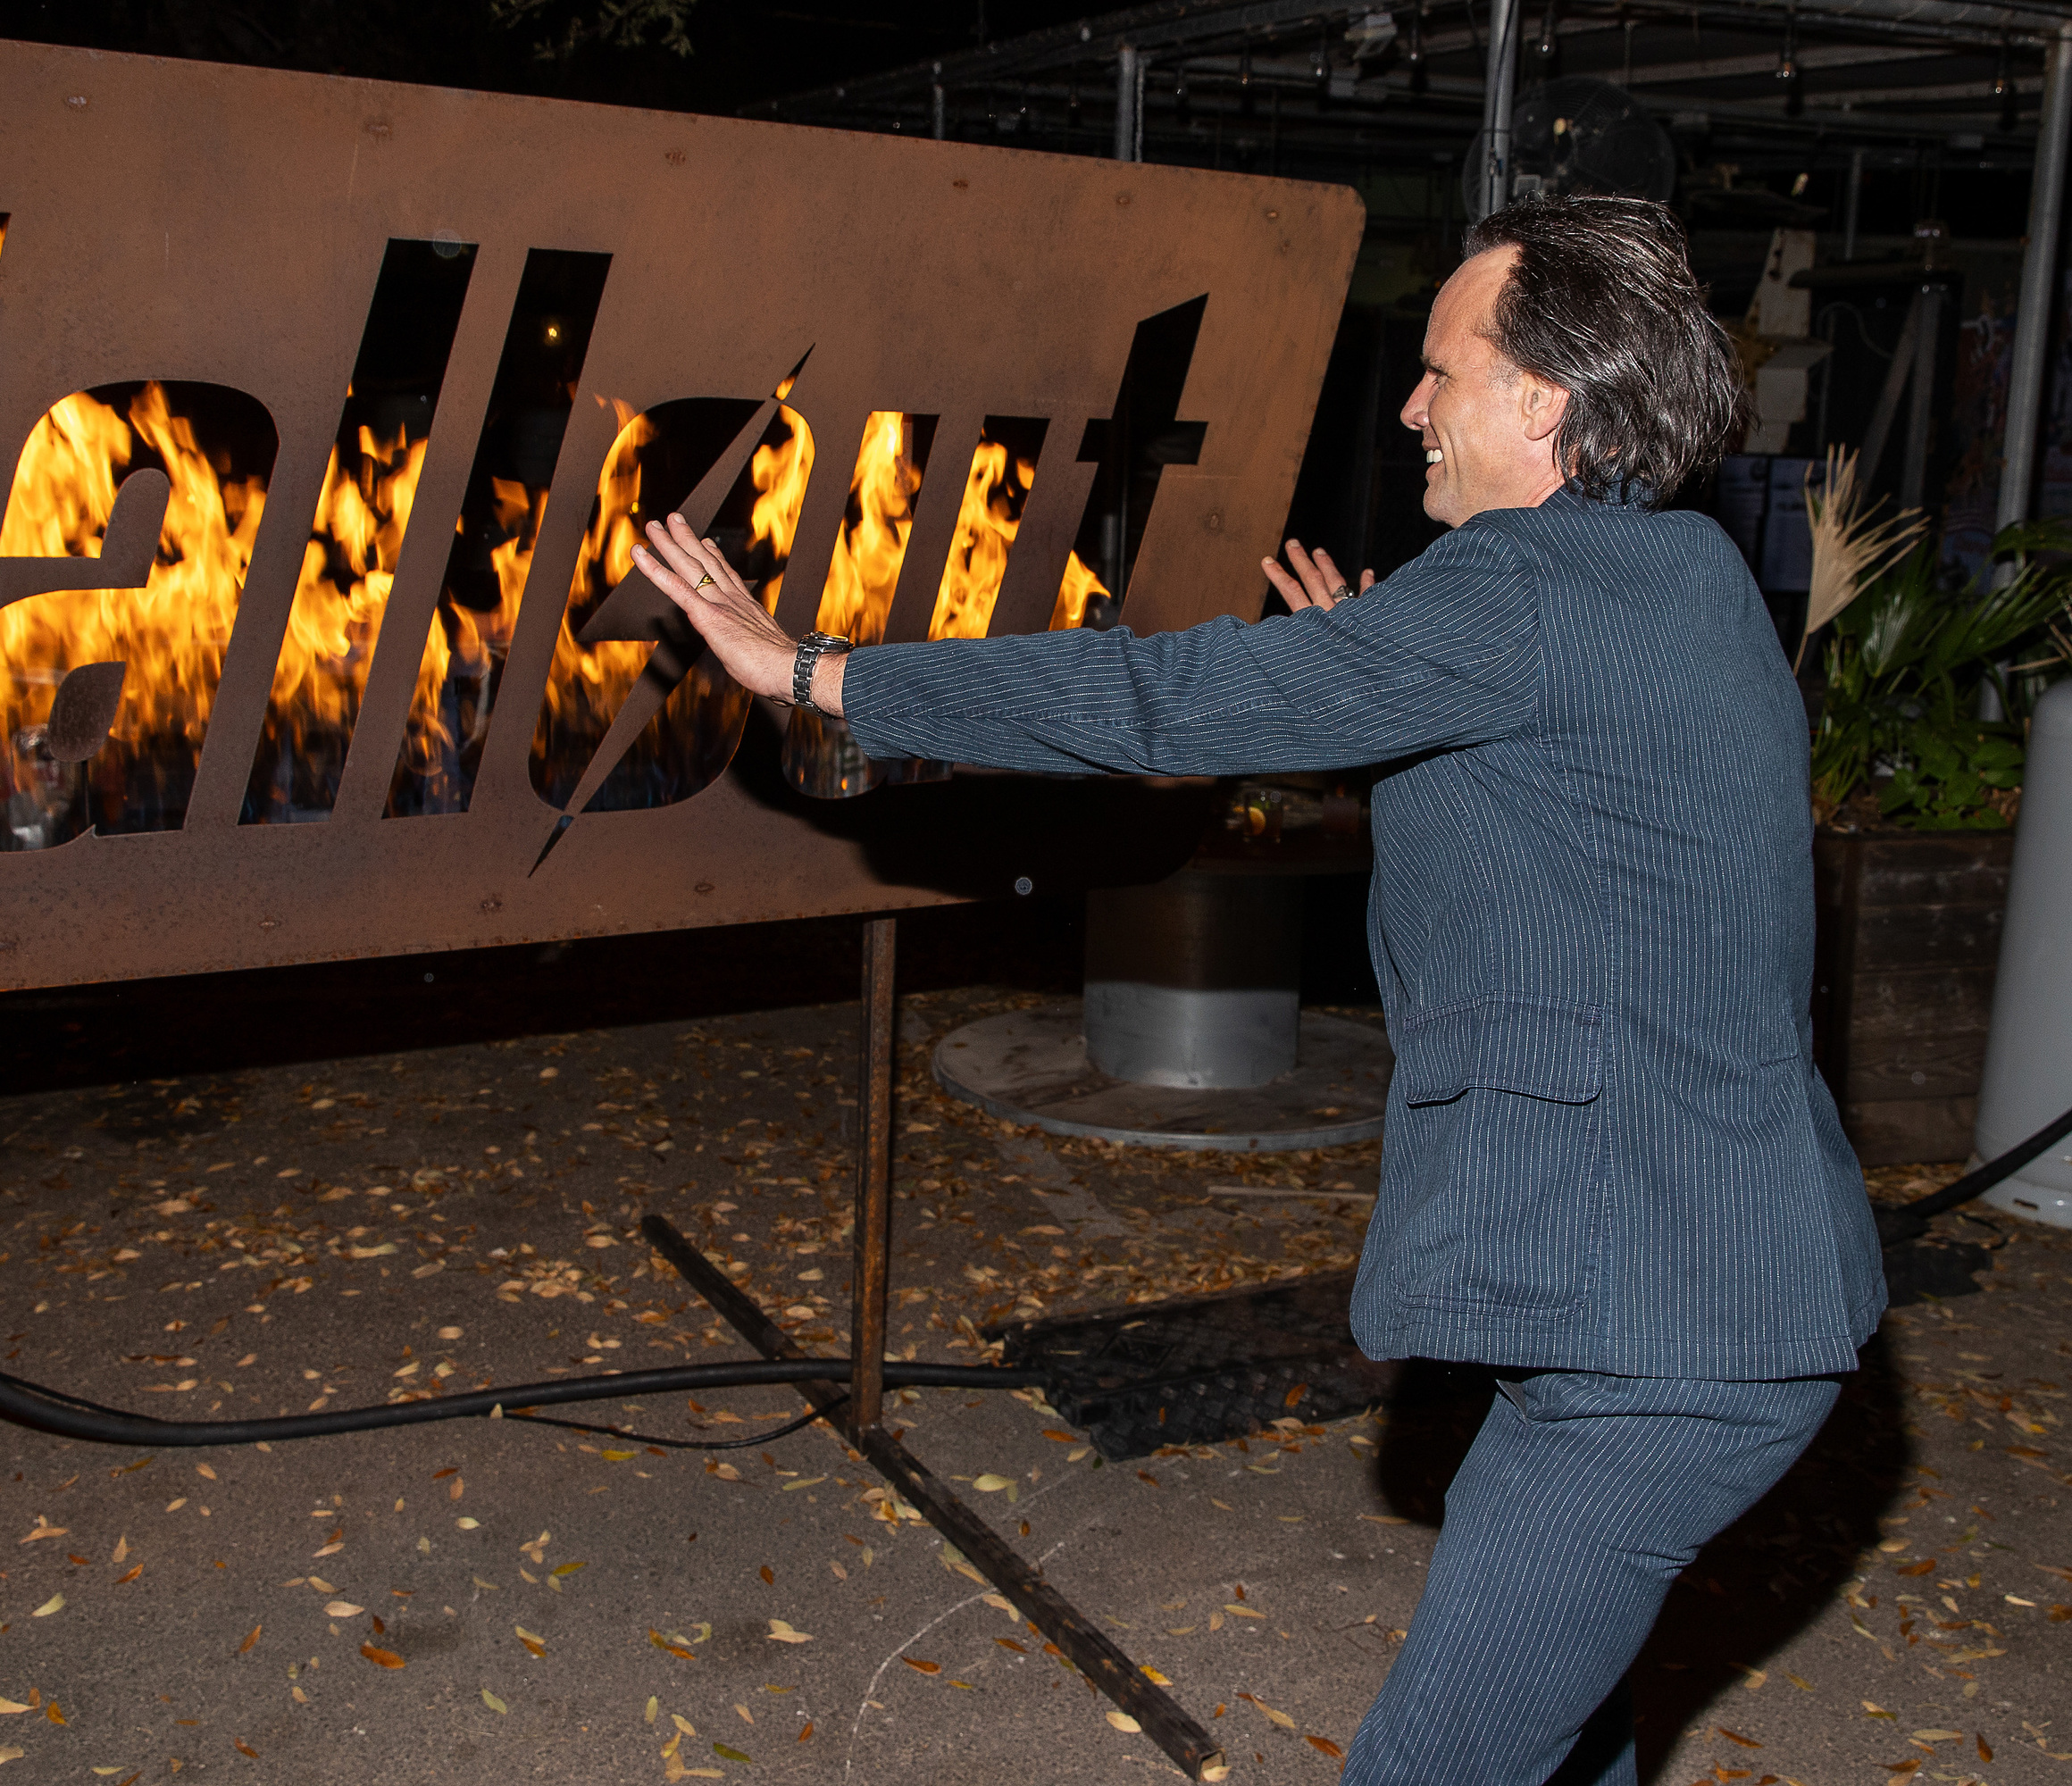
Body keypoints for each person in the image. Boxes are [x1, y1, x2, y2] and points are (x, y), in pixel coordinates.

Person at [640, 194, 1883, 1786]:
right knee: (1557, 1719)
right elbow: (1587, 823)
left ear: (1543, 403)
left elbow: (1164, 696)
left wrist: (822, 673)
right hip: (1703, 1276)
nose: (1411, 406)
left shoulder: (1512, 596)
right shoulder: (1683, 571)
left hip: (1656, 1332)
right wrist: (1370, 668)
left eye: (1442, 372)